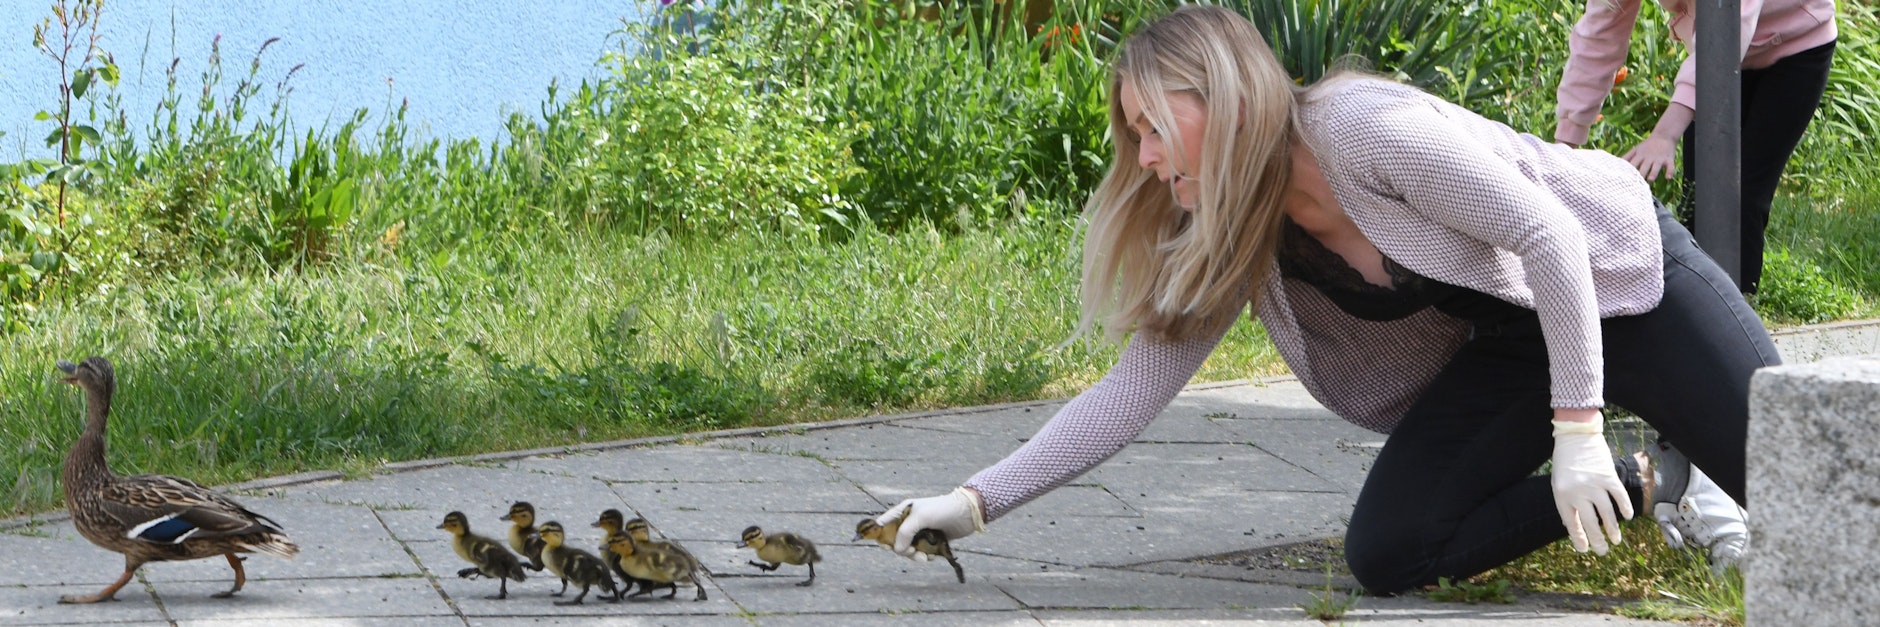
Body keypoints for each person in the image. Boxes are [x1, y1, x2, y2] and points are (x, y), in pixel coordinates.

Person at [870, 5, 1770, 594]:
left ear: (1218, 100)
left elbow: (1552, 238)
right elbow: (1131, 388)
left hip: (1628, 286)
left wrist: (1573, 429)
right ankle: (1655, 482)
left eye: (1152, 126)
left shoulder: (1365, 131)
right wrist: (974, 501)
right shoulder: (1236, 228)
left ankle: (1672, 448)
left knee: (1825, 492)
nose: (1142, 157)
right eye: (1133, 135)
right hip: (1514, 343)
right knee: (1390, 550)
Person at [1554, 0, 1837, 294]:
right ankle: (1700, 306)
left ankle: (1739, 315)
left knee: (1742, 194)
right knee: (1697, 197)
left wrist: (1665, 134)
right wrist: (1565, 145)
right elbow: (1599, 36)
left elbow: (1732, 24)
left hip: (1796, 48)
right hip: (1713, 56)